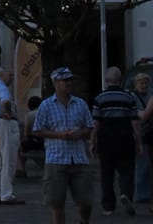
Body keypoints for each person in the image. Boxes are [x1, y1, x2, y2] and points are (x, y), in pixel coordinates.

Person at [34, 67, 95, 224]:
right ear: (55, 83)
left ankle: (84, 221)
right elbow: (38, 130)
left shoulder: (80, 104)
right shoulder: (46, 105)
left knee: (86, 201)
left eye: (70, 80)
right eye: (65, 80)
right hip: (56, 159)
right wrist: (60, 135)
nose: (69, 83)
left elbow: (89, 127)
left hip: (79, 158)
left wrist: (79, 134)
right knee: (56, 202)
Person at [91, 65, 141, 217]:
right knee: (127, 171)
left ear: (107, 80)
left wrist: (92, 141)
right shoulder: (129, 97)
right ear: (120, 80)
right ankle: (126, 194)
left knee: (107, 174)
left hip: (106, 139)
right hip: (125, 138)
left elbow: (95, 123)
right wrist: (138, 141)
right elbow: (135, 122)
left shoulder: (99, 98)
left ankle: (108, 206)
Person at [0, 65, 24, 205]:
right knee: (8, 159)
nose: (12, 78)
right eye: (10, 75)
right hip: (4, 122)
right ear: (2, 75)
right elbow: (5, 101)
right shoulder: (2, 88)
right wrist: (8, 112)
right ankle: (6, 194)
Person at [133, 73, 153, 203]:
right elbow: (138, 115)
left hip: (150, 132)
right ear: (136, 84)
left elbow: (142, 114)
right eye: (141, 83)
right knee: (142, 165)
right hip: (140, 134)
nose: (143, 85)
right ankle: (141, 195)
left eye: (145, 82)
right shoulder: (132, 97)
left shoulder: (151, 94)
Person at [22, 95, 45, 178]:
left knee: (18, 147)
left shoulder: (29, 115)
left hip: (34, 141)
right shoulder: (45, 113)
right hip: (46, 141)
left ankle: (21, 169)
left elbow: (27, 132)